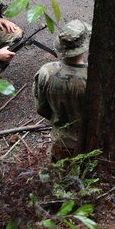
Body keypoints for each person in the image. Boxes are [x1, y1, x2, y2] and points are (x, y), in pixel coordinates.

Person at [33, 19, 90, 161]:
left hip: (61, 141)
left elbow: (41, 108)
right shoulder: (94, 77)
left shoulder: (46, 72)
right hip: (89, 142)